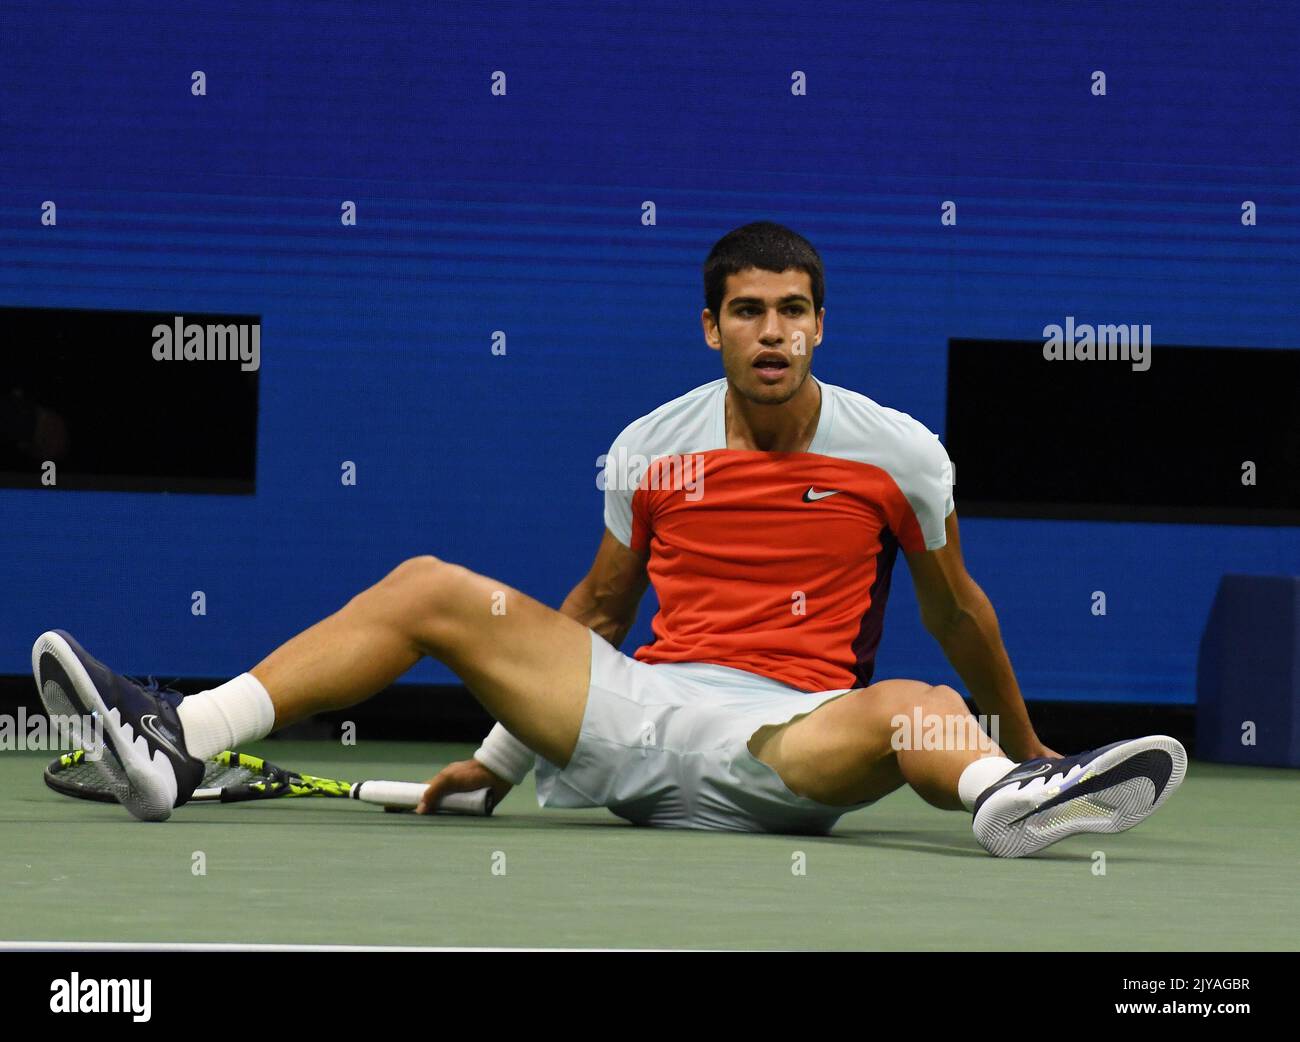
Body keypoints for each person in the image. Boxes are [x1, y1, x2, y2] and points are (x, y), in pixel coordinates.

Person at [32, 221, 1185, 856]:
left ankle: (1011, 798)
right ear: (712, 327)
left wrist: (1030, 742)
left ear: (821, 325)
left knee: (909, 699)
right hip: (635, 718)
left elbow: (958, 614)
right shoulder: (649, 447)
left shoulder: (899, 455)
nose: (770, 332)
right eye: (747, 311)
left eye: (791, 311)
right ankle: (181, 737)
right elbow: (595, 614)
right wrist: (492, 764)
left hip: (786, 747)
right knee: (432, 585)